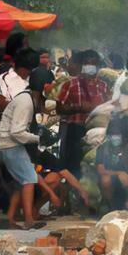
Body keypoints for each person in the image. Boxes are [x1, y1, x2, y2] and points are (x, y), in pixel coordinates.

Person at [0, 48, 43, 229]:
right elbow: (17, 132)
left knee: (20, 181)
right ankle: (29, 219)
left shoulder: (26, 98)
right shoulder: (26, 102)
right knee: (29, 178)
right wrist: (39, 139)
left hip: (6, 143)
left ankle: (10, 217)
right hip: (9, 144)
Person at [54, 49, 110, 177]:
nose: (90, 66)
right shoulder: (70, 84)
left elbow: (110, 107)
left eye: (93, 64)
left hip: (97, 133)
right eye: (87, 63)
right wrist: (79, 108)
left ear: (98, 66)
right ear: (81, 65)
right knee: (73, 167)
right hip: (75, 130)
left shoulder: (104, 86)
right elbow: (59, 109)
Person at [96, 114, 128, 212]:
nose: (115, 137)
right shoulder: (103, 149)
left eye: (117, 135)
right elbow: (101, 170)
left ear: (124, 135)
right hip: (112, 184)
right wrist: (119, 173)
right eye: (112, 135)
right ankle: (110, 206)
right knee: (105, 180)